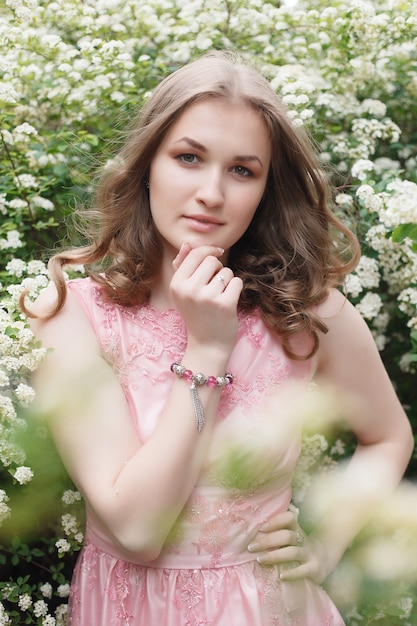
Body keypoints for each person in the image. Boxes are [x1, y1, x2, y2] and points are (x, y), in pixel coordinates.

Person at [27, 51, 413, 626]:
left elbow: (388, 435)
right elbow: (135, 532)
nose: (212, 192)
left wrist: (326, 545)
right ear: (147, 165)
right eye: (188, 158)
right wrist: (207, 350)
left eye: (242, 170)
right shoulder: (71, 313)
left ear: (264, 189)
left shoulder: (306, 313)